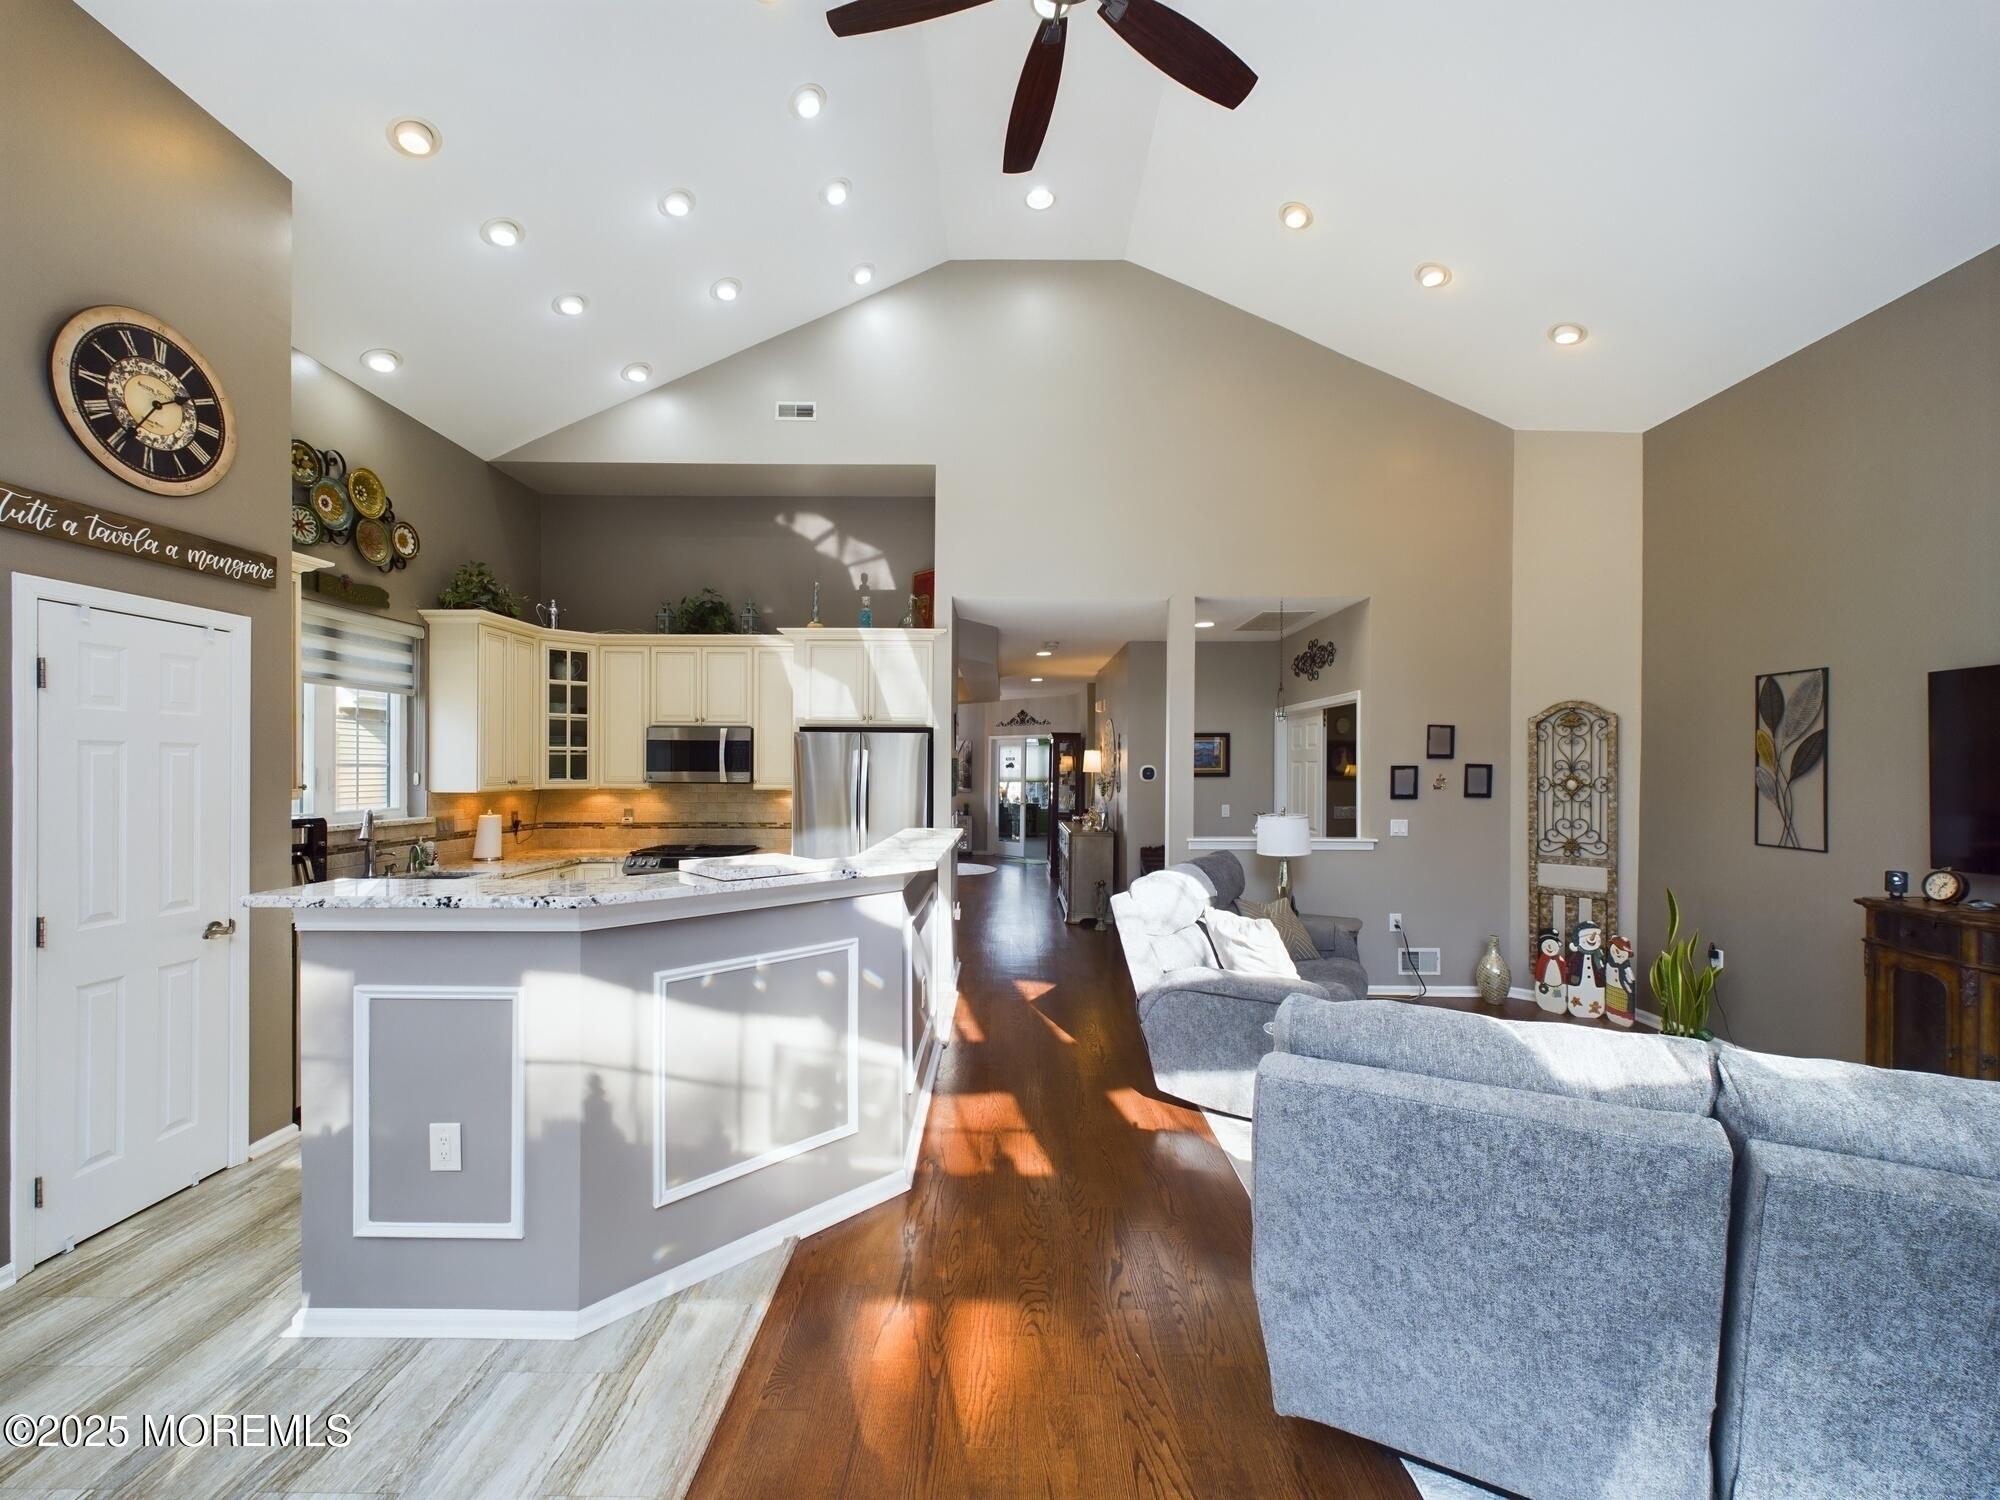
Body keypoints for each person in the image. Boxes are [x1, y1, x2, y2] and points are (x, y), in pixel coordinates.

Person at [1605, 934, 1637, 1028]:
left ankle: (1625, 1015)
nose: (1618, 953)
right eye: (1616, 950)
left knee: (1623, 1001)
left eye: (1622, 951)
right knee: (1612, 1000)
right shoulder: (1609, 965)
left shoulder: (1626, 971)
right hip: (1611, 991)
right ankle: (1611, 1011)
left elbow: (1630, 987)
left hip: (1622, 992)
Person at [1533, 928, 1567, 1013]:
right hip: (1545, 984)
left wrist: (1564, 983)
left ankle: (1557, 1005)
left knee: (1557, 995)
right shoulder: (1542, 960)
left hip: (1558, 985)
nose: (1550, 947)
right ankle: (1546, 1003)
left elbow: (1564, 972)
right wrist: (1539, 981)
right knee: (1546, 994)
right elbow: (1539, 970)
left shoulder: (1561, 961)